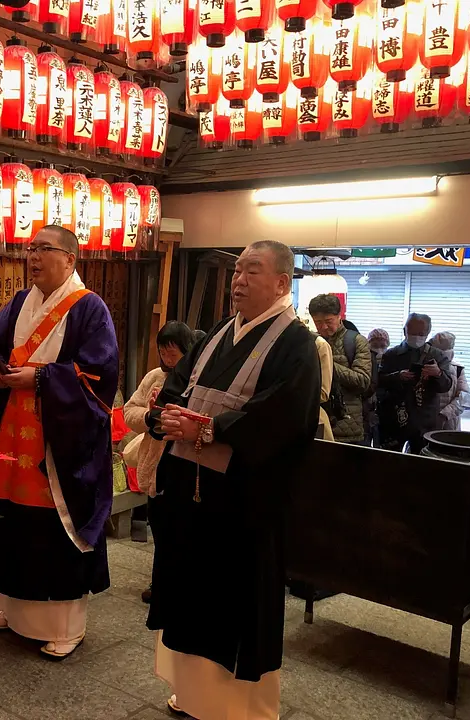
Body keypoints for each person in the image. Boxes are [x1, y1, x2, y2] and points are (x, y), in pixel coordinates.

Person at [146, 240, 321, 719]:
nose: (238, 280)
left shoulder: (296, 343)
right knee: (190, 591)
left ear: (282, 283)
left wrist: (208, 427)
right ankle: (194, 692)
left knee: (234, 600)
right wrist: (162, 416)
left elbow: (284, 418)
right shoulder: (221, 330)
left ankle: (239, 706)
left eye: (252, 271)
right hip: (190, 489)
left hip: (243, 499)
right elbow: (177, 383)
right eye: (237, 270)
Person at [0, 225, 119, 660]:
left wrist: (39, 377)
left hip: (58, 443)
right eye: (30, 248)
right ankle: (10, 606)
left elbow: (99, 375)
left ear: (70, 259)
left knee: (56, 529)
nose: (33, 256)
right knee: (13, 523)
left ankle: (64, 624)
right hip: (13, 438)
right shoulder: (21, 302)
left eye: (44, 249)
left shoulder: (90, 309)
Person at [123, 320, 196, 605]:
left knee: (178, 527)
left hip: (183, 462)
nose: (167, 359)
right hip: (156, 462)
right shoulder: (154, 376)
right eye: (163, 352)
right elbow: (130, 410)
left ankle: (176, 583)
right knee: (159, 523)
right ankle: (160, 581)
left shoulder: (197, 378)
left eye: (173, 352)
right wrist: (150, 417)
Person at [377, 313, 453, 453]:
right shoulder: (391, 354)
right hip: (395, 418)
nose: (416, 337)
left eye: (420, 333)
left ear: (427, 333)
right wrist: (397, 377)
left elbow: (446, 386)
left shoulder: (437, 355)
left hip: (425, 420)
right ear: (405, 331)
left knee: (422, 461)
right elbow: (379, 382)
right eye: (412, 333)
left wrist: (437, 374)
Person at [308, 293, 372, 444]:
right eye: (318, 322)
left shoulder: (356, 341)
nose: (323, 327)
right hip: (317, 423)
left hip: (348, 427)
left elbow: (363, 380)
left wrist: (327, 363)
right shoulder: (312, 342)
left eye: (328, 321)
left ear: (339, 316)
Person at [430, 331, 470, 431]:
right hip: (425, 421)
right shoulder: (425, 367)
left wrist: (444, 415)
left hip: (449, 424)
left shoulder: (457, 369)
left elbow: (463, 398)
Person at [365, 329, 391, 446]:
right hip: (367, 409)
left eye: (383, 346)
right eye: (375, 345)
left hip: (385, 410)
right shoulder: (364, 361)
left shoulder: (392, 360)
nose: (379, 349)